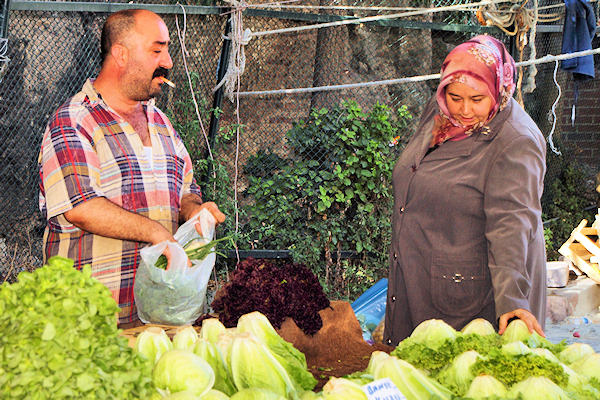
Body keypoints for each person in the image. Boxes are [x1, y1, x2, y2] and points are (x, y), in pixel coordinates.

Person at [38, 9, 225, 326]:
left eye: (166, 49)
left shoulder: (162, 124)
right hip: (89, 321)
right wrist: (156, 233)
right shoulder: (74, 120)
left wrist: (196, 213)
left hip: (155, 319)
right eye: (157, 49)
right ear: (121, 54)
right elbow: (81, 207)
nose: (167, 62)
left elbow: (186, 191)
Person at [384, 35, 547, 346]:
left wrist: (512, 299)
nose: (464, 110)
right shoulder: (441, 110)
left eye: (477, 99)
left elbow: (512, 223)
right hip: (423, 280)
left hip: (471, 296)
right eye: (456, 97)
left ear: (499, 88)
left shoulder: (515, 142)